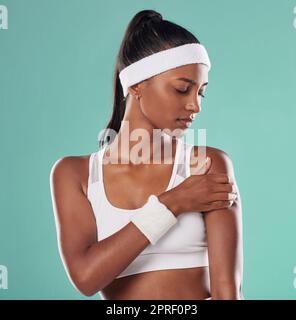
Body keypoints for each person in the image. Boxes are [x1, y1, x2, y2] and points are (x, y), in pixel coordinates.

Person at [50, 9, 243, 300]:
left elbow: (227, 292)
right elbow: (86, 278)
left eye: (200, 93)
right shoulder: (74, 175)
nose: (195, 106)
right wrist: (173, 202)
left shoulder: (206, 165)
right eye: (182, 90)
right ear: (137, 85)